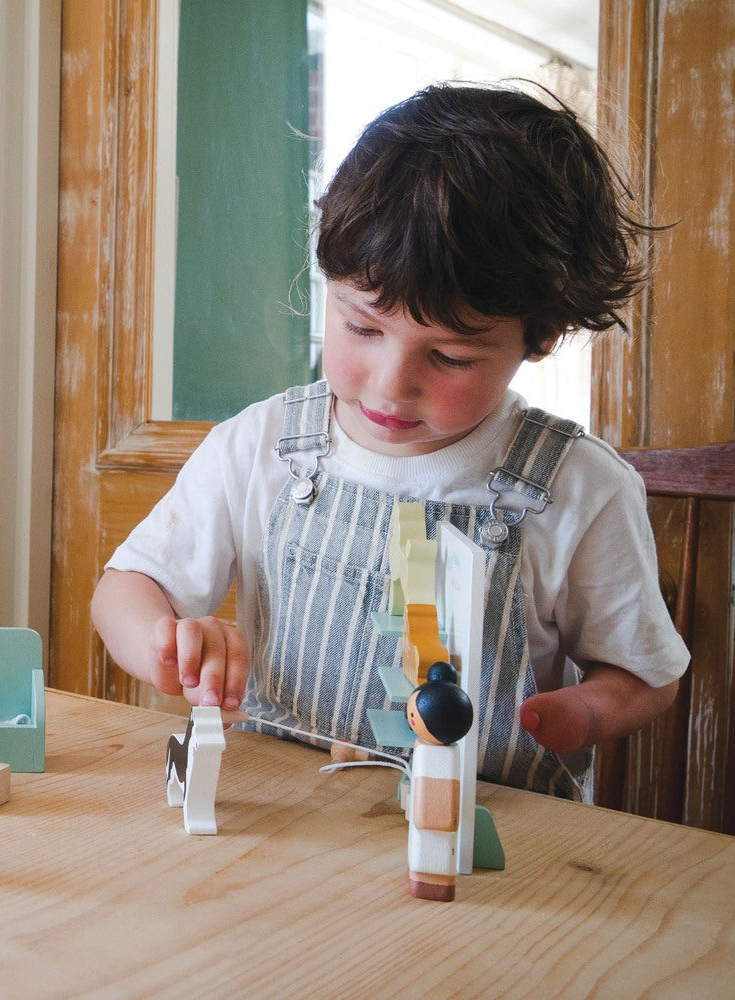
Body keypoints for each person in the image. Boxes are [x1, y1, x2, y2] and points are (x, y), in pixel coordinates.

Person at [91, 83, 687, 800]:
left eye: (451, 358)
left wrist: (586, 711)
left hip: (488, 835)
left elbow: (644, 674)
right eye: (362, 328)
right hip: (289, 819)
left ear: (542, 336)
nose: (389, 384)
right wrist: (166, 644)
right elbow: (126, 588)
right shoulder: (268, 443)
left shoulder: (580, 488)